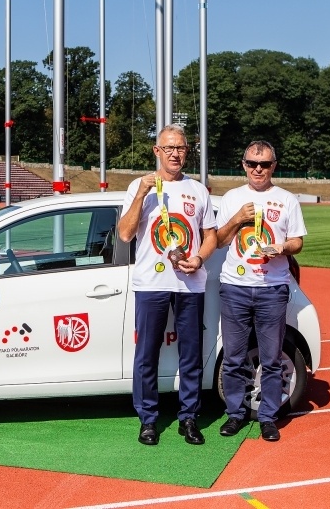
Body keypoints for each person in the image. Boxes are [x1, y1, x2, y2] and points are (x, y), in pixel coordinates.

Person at [118, 124, 217, 446]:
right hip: (152, 282)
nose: (175, 154)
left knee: (191, 354)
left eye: (181, 148)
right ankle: (148, 420)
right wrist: (141, 194)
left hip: (190, 283)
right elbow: (125, 234)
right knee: (146, 354)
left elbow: (211, 235)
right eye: (169, 148)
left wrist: (199, 259)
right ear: (157, 151)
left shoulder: (198, 190)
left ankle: (188, 417)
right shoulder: (139, 186)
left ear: (187, 152)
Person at [215, 140, 307, 442]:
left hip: (272, 289)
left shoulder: (287, 200)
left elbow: (298, 242)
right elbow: (220, 240)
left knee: (271, 359)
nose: (258, 169)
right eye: (252, 163)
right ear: (244, 165)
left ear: (273, 166)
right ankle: (235, 414)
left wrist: (283, 247)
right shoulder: (232, 198)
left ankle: (268, 416)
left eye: (264, 164)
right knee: (233, 358)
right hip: (235, 287)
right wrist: (237, 219)